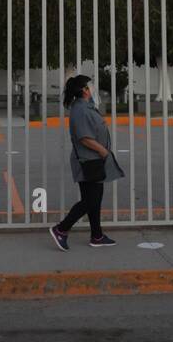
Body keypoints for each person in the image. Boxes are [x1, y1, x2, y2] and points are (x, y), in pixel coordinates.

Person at [50, 74, 123, 249]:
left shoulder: (85, 107)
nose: (93, 88)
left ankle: (96, 236)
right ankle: (61, 229)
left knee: (93, 199)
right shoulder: (81, 110)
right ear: (84, 90)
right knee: (90, 200)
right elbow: (84, 138)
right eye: (90, 85)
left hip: (93, 159)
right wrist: (104, 151)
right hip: (89, 161)